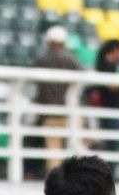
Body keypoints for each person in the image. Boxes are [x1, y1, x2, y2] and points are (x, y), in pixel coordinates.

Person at [35, 25, 84, 171]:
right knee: (76, 146)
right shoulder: (71, 60)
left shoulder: (42, 60)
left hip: (49, 111)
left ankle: (55, 181)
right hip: (69, 109)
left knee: (53, 152)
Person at [89, 40, 119, 153]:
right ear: (115, 51)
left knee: (111, 144)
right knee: (113, 145)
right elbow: (112, 86)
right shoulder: (106, 66)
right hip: (108, 110)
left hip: (109, 110)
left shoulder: (107, 66)